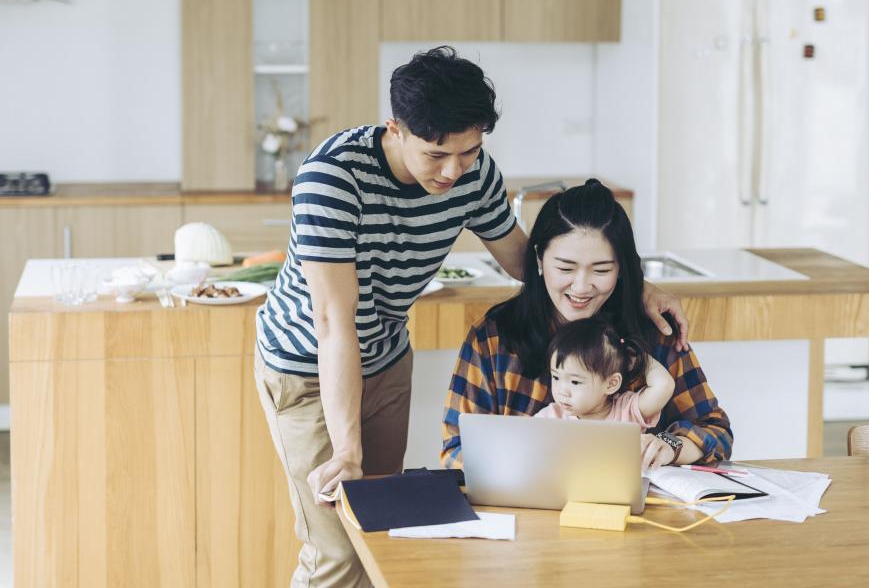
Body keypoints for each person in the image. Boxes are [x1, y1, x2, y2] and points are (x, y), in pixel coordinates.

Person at [254, 47, 691, 588]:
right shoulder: (333, 179)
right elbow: (333, 324)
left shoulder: (472, 171)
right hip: (306, 366)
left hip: (386, 358)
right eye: (437, 154)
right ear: (396, 128)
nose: (453, 171)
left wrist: (626, 281)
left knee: (379, 538)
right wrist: (348, 450)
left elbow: (523, 260)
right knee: (337, 554)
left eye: (469, 151)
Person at [442, 179, 732, 472]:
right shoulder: (494, 338)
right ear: (540, 259)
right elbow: (456, 450)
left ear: (621, 268)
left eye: (602, 269)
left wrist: (671, 446)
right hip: (520, 509)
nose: (581, 287)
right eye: (565, 268)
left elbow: (716, 432)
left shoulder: (654, 332)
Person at [534, 317, 675, 438]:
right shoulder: (551, 417)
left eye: (575, 382)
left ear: (611, 384)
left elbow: (664, 385)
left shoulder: (627, 410)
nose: (562, 391)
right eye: (556, 377)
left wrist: (638, 358)